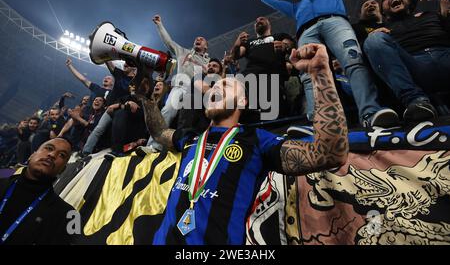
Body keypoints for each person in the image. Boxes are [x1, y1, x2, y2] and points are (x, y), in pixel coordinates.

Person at [138, 43, 349, 245]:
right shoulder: (191, 138)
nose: (215, 88)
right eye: (213, 86)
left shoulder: (256, 140)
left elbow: (329, 153)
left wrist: (320, 73)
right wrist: (146, 99)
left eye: (226, 85)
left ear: (242, 101)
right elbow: (160, 132)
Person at [255, 0, 399, 128]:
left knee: (353, 61)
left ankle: (370, 113)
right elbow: (278, 4)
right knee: (309, 73)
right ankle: (319, 124)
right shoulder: (297, 7)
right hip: (307, 32)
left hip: (336, 23)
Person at [363, 0, 450, 122]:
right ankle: (417, 102)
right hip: (416, 66)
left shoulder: (431, 14)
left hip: (445, 54)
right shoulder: (384, 30)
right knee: (373, 40)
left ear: (408, 1)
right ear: (383, 11)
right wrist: (377, 33)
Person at [148, 15, 211, 150]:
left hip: (196, 94)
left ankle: (189, 147)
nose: (198, 39)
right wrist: (159, 25)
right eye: (196, 38)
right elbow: (168, 41)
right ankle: (153, 146)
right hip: (181, 87)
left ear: (206, 46)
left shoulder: (209, 63)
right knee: (168, 110)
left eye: (202, 39)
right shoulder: (183, 52)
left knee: (191, 119)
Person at [0, 138, 75, 245]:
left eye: (62, 155)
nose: (52, 155)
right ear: (31, 156)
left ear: (63, 170)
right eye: (49, 148)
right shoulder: (2, 181)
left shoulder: (68, 215)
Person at [231, 17, 290, 119]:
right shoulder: (249, 42)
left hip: (271, 75)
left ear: (269, 23)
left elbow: (290, 43)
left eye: (261, 19)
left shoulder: (278, 36)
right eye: (256, 21)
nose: (258, 21)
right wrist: (237, 44)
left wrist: (284, 45)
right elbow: (235, 56)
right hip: (249, 78)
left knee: (270, 116)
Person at [81, 62, 137, 156]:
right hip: (111, 108)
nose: (125, 63)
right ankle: (85, 152)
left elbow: (133, 98)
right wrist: (105, 51)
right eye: (125, 62)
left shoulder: (136, 81)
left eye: (129, 62)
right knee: (98, 129)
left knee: (119, 130)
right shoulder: (119, 73)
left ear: (134, 68)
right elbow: (108, 63)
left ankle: (118, 151)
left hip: (123, 109)